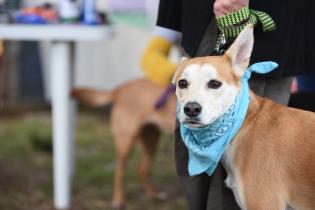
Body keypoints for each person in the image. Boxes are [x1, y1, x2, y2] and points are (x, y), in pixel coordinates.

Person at [141, 0, 315, 209]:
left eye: (213, 84)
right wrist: (168, 27)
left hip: (261, 19)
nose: (192, 104)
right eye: (184, 84)